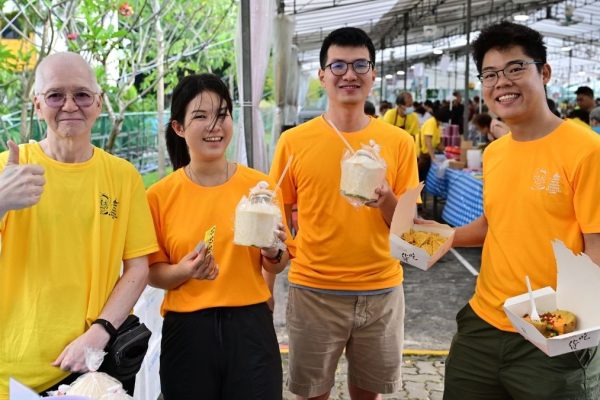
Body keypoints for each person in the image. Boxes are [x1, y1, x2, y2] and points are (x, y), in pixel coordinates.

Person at [440, 21, 600, 399]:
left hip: (554, 335)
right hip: (483, 325)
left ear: (544, 73)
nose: (502, 82)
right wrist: (438, 236)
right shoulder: (495, 152)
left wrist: (574, 324)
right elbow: (493, 224)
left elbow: (597, 248)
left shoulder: (587, 151)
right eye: (490, 74)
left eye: (515, 68)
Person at [269, 27, 419, 400]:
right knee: (312, 393)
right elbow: (276, 220)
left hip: (381, 291)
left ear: (373, 74)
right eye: (338, 65)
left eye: (359, 65)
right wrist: (266, 287)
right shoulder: (294, 142)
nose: (349, 74)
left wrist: (386, 199)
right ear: (322, 75)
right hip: (313, 291)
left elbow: (408, 228)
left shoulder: (399, 143)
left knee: (368, 393)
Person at [0, 52, 158, 398]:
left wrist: (99, 332)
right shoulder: (8, 171)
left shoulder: (123, 176)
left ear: (98, 103)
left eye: (82, 95)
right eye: (55, 95)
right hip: (12, 372)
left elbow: (138, 268)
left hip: (93, 367)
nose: (70, 105)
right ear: (37, 104)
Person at [146, 73, 289, 400]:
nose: (214, 125)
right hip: (187, 331)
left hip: (250, 327)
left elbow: (279, 263)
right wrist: (184, 271)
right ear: (178, 127)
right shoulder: (159, 196)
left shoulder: (261, 188)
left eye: (222, 114)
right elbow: (153, 272)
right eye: (200, 116)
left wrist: (272, 250)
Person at [417, 108, 446, 181]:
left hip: (426, 155)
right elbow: (428, 142)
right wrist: (433, 158)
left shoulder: (437, 125)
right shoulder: (431, 123)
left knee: (422, 177)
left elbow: (437, 143)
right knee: (418, 176)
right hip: (421, 154)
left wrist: (446, 151)